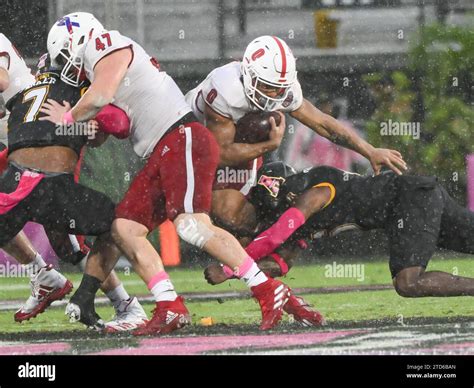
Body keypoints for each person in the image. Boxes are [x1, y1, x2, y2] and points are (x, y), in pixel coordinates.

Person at [41, 12, 292, 334]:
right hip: (162, 149)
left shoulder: (105, 43)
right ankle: (169, 305)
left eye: (65, 57)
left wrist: (67, 118)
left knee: (190, 225)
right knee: (125, 227)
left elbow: (100, 97)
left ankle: (266, 289)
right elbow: (112, 126)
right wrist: (85, 124)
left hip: (181, 137)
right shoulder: (104, 64)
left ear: (77, 40)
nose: (69, 68)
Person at [1, 51, 146, 330]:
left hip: (16, 182)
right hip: (52, 187)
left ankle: (41, 273)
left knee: (69, 247)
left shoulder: (24, 95)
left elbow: (20, 142)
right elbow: (116, 126)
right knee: (118, 225)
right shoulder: (83, 88)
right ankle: (120, 305)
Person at [206, 162, 474, 299]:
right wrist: (238, 272)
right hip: (415, 200)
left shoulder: (316, 191)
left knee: (408, 283)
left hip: (409, 199)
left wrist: (230, 267)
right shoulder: (297, 212)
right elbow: (280, 264)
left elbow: (277, 234)